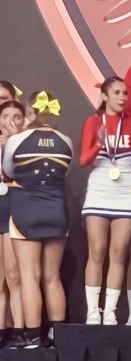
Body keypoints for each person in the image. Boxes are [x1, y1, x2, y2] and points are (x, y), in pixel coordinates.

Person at [3, 92, 71, 348]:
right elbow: (66, 169)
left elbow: (8, 171)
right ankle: (58, 336)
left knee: (29, 276)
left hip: (26, 211)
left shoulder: (17, 140)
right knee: (52, 276)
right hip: (56, 211)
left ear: (30, 112)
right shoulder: (66, 140)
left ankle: (33, 336)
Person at [80, 76, 131, 325]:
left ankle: (109, 310)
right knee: (96, 251)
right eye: (117, 93)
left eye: (125, 94)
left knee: (119, 253)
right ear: (105, 96)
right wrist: (98, 143)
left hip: (125, 192)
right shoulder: (93, 121)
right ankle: (92, 311)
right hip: (99, 190)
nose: (122, 98)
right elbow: (84, 161)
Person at [0, 99, 26, 341]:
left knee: (13, 274)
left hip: (14, 211)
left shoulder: (25, 147)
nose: (10, 121)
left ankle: (19, 329)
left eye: (16, 116)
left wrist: (10, 147)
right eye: (4, 116)